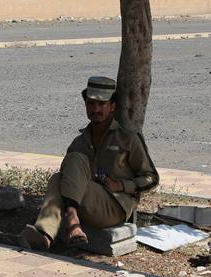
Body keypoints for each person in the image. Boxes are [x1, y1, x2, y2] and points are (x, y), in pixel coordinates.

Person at [19, 76, 158, 251]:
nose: (96, 109)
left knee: (73, 161)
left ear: (112, 106)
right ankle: (46, 237)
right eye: (91, 104)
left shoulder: (127, 139)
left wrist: (122, 185)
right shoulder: (79, 141)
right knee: (58, 177)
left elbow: (151, 178)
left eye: (102, 104)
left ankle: (69, 219)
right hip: (85, 202)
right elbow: (68, 180)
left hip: (113, 207)